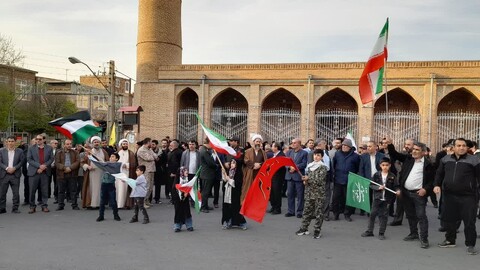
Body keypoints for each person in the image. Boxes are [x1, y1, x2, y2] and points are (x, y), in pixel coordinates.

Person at [386, 138, 434, 249]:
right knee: (411, 215)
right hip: (406, 193)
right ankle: (413, 233)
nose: (414, 151)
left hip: (419, 195)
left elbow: (432, 181)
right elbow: (395, 154)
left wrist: (425, 190)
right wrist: (390, 145)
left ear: (423, 152)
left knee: (421, 216)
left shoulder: (428, 164)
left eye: (417, 150)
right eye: (413, 149)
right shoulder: (408, 159)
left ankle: (424, 238)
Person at [434, 138, 479, 255]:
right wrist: (436, 185)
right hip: (449, 195)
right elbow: (439, 173)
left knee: (469, 221)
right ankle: (450, 240)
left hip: (468, 196)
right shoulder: (446, 159)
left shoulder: (474, 160)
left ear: (467, 147)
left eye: (464, 145)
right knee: (450, 220)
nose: (461, 148)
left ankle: (470, 244)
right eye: (458, 145)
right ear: (453, 147)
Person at [361, 157, 399, 240]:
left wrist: (398, 190)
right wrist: (378, 188)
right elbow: (371, 185)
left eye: (387, 165)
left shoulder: (392, 176)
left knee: (384, 216)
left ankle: (381, 233)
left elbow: (396, 186)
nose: (385, 167)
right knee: (372, 214)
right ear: (380, 166)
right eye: (383, 165)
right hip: (377, 198)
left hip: (387, 199)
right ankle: (369, 231)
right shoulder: (376, 175)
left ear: (390, 166)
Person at [295, 149, 328, 239]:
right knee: (306, 212)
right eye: (315, 155)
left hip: (319, 194)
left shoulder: (323, 167)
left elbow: (319, 180)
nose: (316, 157)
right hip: (309, 193)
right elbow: (308, 179)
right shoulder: (309, 166)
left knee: (318, 213)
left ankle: (317, 231)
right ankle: (304, 228)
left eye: (318, 155)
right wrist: (305, 182)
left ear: (321, 157)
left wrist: (307, 179)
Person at [88, 152, 122, 222]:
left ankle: (116, 215)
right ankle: (101, 216)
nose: (110, 158)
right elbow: (98, 163)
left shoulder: (117, 165)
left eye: (113, 157)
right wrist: (90, 157)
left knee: (113, 201)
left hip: (111, 185)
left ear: (116, 159)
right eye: (110, 157)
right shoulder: (106, 164)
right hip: (104, 184)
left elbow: (119, 173)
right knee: (102, 201)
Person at [332, 138, 360, 221]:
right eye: (343, 145)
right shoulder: (337, 154)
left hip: (350, 180)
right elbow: (334, 164)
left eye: (346, 145)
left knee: (348, 199)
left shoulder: (355, 156)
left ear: (350, 147)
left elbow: (357, 167)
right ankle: (335, 214)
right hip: (338, 179)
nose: (344, 147)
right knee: (335, 198)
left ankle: (347, 214)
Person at [222, 136, 247, 229]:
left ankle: (239, 221)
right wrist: (225, 163)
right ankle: (226, 220)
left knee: (235, 200)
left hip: (236, 179)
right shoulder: (227, 150)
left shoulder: (240, 151)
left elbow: (241, 161)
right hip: (227, 178)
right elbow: (222, 159)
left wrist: (233, 162)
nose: (230, 142)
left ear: (236, 142)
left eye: (232, 141)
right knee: (227, 201)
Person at [27, 134, 55, 213]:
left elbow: (51, 158)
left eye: (40, 139)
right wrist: (39, 166)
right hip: (34, 172)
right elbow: (29, 159)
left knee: (44, 190)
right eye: (37, 139)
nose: (38, 140)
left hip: (45, 172)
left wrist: (44, 166)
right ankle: (32, 206)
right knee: (32, 190)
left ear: (44, 140)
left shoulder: (49, 148)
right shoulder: (31, 148)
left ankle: (44, 206)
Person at [81, 136, 109, 208]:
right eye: (95, 142)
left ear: (100, 143)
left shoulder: (104, 152)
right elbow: (82, 162)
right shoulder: (89, 152)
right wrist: (87, 166)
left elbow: (107, 161)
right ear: (92, 143)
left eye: (97, 142)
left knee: (100, 188)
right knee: (92, 188)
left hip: (101, 172)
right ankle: (91, 204)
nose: (96, 143)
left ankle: (100, 204)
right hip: (91, 173)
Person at [0, 136, 25, 214]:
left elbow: (22, 161)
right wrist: (7, 168)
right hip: (4, 174)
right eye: (9, 141)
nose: (10, 143)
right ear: (6, 142)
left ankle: (15, 208)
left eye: (12, 141)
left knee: (16, 193)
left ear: (15, 142)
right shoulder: (1, 151)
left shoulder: (20, 151)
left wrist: (14, 168)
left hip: (15, 174)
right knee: (2, 193)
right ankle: (2, 208)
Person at [285, 138, 308, 218]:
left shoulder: (304, 153)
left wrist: (295, 167)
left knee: (300, 195)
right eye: (292, 143)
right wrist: (289, 168)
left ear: (299, 144)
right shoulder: (288, 152)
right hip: (289, 176)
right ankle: (290, 211)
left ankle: (299, 212)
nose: (293, 144)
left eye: (295, 143)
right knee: (290, 194)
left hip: (298, 176)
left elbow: (304, 164)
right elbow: (285, 162)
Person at [54, 139, 80, 211]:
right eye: (67, 144)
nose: (69, 145)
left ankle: (74, 205)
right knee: (61, 191)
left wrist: (70, 168)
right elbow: (57, 163)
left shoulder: (75, 152)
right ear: (64, 145)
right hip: (62, 174)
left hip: (72, 174)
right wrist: (64, 168)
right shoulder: (59, 152)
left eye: (70, 144)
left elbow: (77, 161)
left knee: (73, 190)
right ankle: (61, 205)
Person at [242, 134, 267, 203]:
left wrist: (260, 165)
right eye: (257, 141)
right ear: (253, 142)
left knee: (258, 188)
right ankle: (247, 202)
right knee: (248, 188)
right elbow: (246, 160)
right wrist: (253, 165)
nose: (258, 143)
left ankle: (256, 203)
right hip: (250, 172)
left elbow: (265, 161)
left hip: (259, 173)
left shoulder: (263, 152)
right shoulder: (248, 151)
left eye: (259, 142)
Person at [136, 137, 158, 208]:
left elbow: (156, 156)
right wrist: (153, 157)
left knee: (150, 187)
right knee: (146, 186)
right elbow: (149, 158)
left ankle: (146, 200)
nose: (152, 144)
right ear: (147, 143)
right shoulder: (141, 150)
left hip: (152, 169)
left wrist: (153, 156)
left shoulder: (149, 149)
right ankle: (142, 202)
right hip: (145, 170)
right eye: (151, 142)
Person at [198, 138, 217, 213]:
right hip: (207, 173)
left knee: (206, 190)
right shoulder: (204, 151)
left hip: (206, 173)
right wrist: (216, 165)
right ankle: (203, 206)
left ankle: (205, 205)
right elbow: (210, 162)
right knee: (205, 191)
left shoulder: (203, 149)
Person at [116, 139, 136, 209]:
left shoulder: (131, 153)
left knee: (126, 188)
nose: (125, 145)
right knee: (119, 188)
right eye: (123, 144)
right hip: (119, 173)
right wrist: (121, 165)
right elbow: (114, 162)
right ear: (121, 145)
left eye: (126, 144)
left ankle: (127, 204)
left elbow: (133, 164)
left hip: (127, 173)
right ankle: (119, 204)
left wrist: (127, 165)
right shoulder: (118, 153)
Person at [172, 167, 193, 232]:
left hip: (185, 199)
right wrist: (181, 194)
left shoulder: (188, 179)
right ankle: (177, 225)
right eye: (185, 171)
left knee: (187, 211)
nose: (187, 172)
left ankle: (189, 225)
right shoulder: (177, 180)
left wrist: (187, 193)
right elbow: (174, 189)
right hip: (177, 199)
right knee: (178, 211)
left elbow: (190, 188)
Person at [268, 142, 286, 215]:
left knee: (277, 193)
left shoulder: (281, 155)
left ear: (276, 147)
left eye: (272, 146)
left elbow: (280, 166)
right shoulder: (273, 155)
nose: (271, 148)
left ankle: (278, 208)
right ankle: (273, 206)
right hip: (272, 176)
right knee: (272, 192)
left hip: (278, 177)